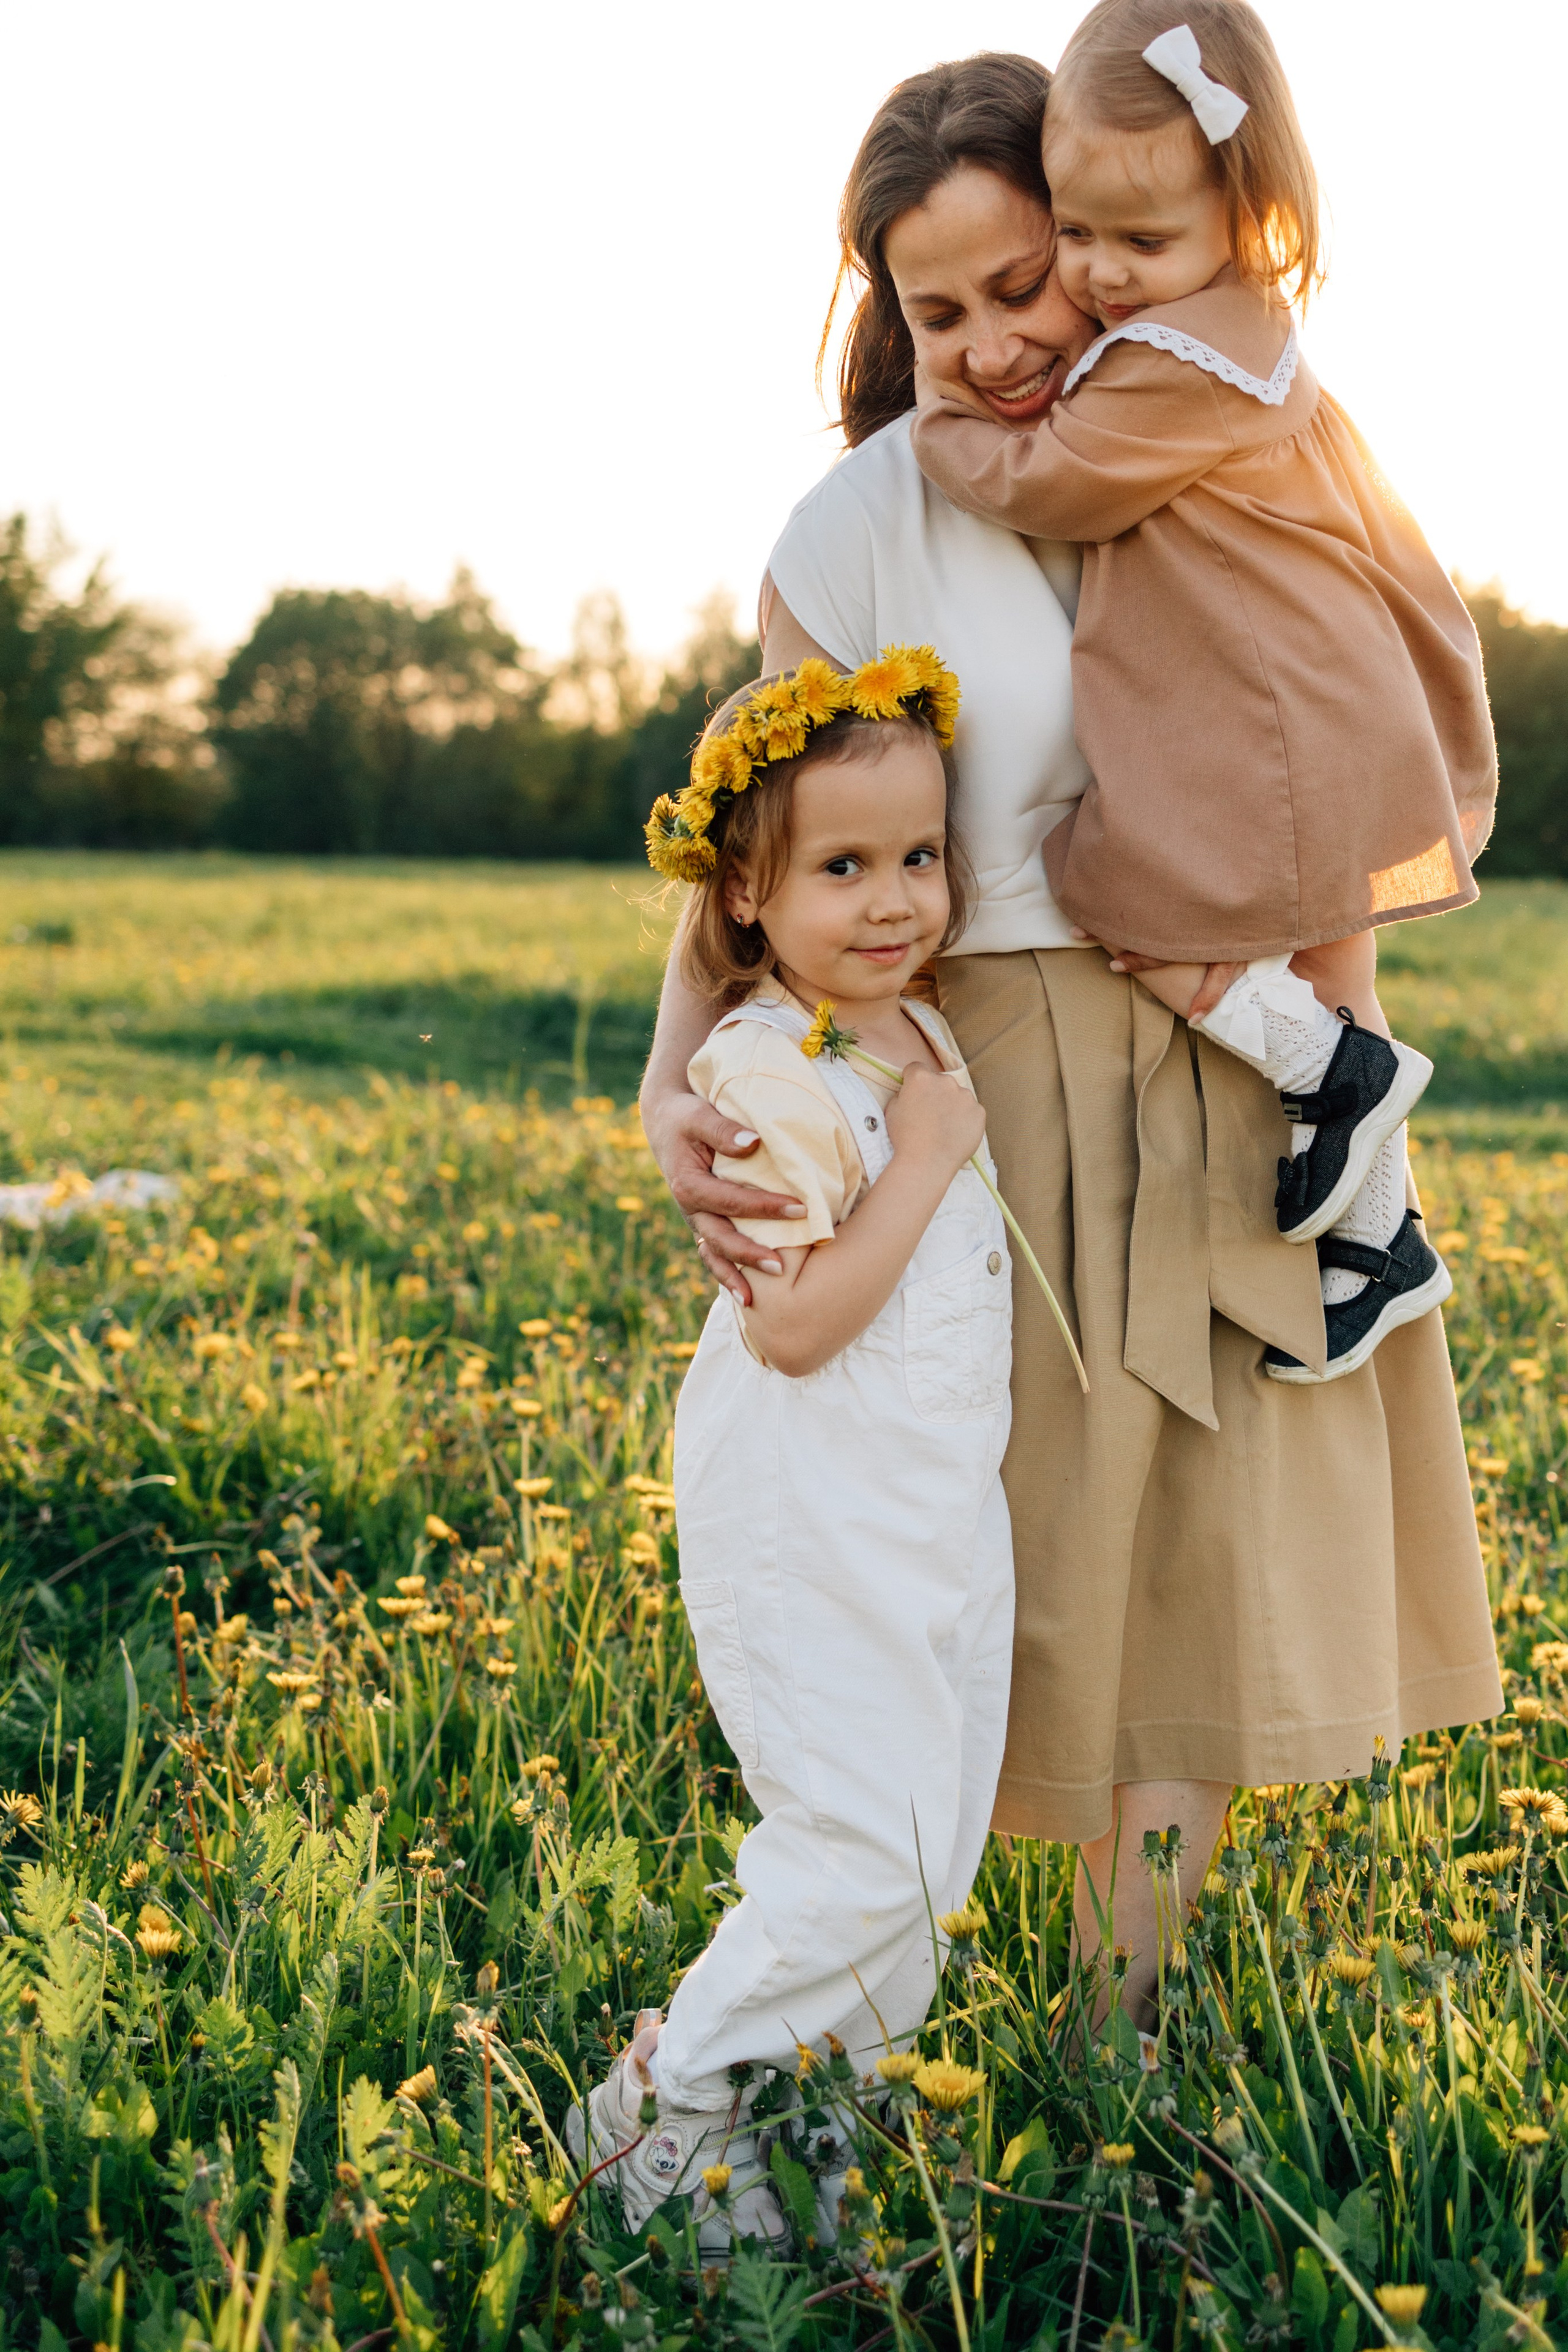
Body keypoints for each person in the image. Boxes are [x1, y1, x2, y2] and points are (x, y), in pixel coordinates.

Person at [639, 48, 1502, 2026]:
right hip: (984, 1072)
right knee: (1001, 1529)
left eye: (1027, 284)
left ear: (1104, 249)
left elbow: (1343, 726)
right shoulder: (862, 523)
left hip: (1223, 1055)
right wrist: (669, 1086)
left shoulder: (1217, 429)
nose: (998, 341)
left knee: (1204, 1539)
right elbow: (748, 852)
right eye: (938, 312)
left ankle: (1132, 2014)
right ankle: (886, 1951)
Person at [911, 0, 1498, 1383]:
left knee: (1110, 885)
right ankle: (1379, 1239)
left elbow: (1046, 481)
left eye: (1142, 240)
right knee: (1337, 960)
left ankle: (1324, 1075)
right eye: (1076, 232)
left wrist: (937, 429)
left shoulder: (1180, 364)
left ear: (1246, 212)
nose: (1105, 274)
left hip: (1281, 720)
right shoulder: (1241, 330)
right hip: (1326, 699)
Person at [574, 651, 1015, 2242]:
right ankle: (661, 2108)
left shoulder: (903, 1016)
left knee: (928, 1840)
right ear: (748, 892)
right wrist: (939, 1156)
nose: (895, 898)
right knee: (859, 1838)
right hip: (811, 1507)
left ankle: (801, 2145)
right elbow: (794, 1324)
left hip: (927, 1508)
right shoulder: (772, 1070)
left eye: (920, 857)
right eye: (844, 866)